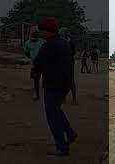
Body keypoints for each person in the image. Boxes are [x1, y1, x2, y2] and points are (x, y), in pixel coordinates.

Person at [34, 17, 77, 156]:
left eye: (41, 30)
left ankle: (62, 147)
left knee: (52, 116)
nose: (39, 33)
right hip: (64, 84)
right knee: (57, 110)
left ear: (48, 32)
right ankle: (70, 133)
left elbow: (37, 62)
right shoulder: (64, 44)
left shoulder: (48, 46)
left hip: (52, 84)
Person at [24, 27, 45, 100]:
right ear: (31, 33)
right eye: (35, 32)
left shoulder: (43, 42)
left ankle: (46, 93)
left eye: (37, 32)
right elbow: (27, 53)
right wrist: (33, 58)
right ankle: (37, 94)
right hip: (35, 64)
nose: (36, 34)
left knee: (46, 79)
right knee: (36, 79)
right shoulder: (27, 43)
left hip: (44, 64)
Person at [59, 27, 77, 105]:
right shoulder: (70, 41)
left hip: (65, 62)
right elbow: (73, 52)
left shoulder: (61, 41)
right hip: (69, 61)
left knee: (65, 80)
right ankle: (73, 99)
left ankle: (65, 99)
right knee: (70, 80)